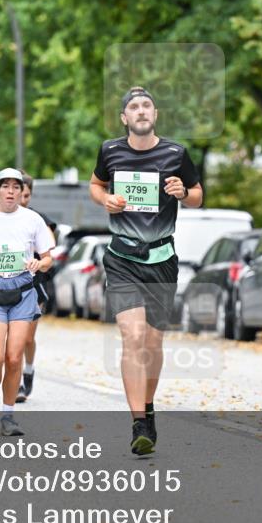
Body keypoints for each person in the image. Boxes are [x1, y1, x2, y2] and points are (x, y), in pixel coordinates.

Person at [89, 86, 203, 456]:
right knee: (132, 336)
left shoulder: (175, 153)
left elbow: (199, 193)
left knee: (153, 344)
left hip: (161, 259)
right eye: (133, 107)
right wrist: (105, 198)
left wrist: (182, 192)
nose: (141, 111)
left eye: (146, 106)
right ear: (125, 117)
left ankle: (148, 409)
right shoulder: (110, 151)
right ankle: (139, 422)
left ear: (154, 115)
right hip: (122, 257)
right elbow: (96, 183)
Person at [0, 168, 54, 436]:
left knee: (14, 357)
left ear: (21, 192)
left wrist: (39, 263)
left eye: (15, 187)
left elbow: (48, 257)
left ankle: (8, 415)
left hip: (23, 291)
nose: (10, 191)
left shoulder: (33, 219)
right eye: (5, 186)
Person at [16, 171, 57, 403]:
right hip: (9, 281)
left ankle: (28, 370)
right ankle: (18, 383)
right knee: (15, 336)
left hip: (35, 281)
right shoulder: (0, 217)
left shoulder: (38, 219)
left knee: (27, 337)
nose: (23, 200)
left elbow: (51, 245)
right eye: (20, 194)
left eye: (27, 195)